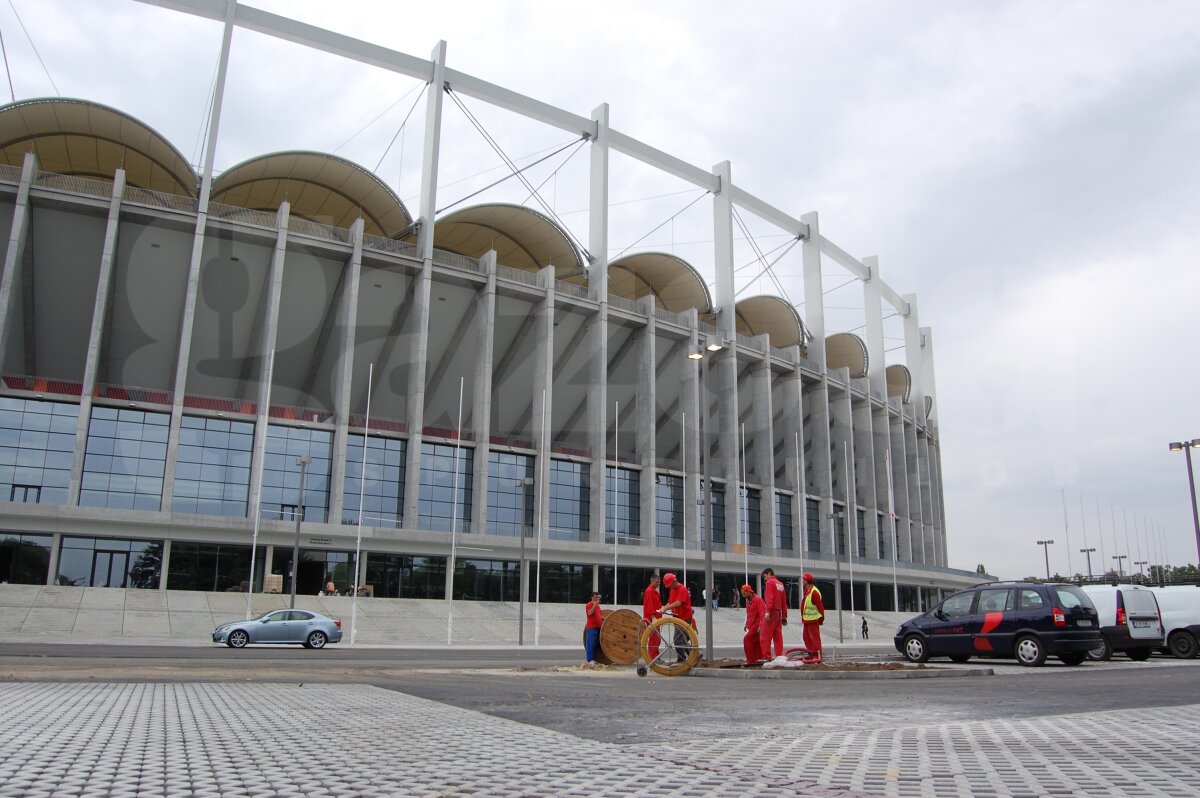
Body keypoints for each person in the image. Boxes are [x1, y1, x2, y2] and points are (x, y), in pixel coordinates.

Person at [759, 568, 787, 659]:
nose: (765, 579)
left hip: (772, 612)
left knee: (765, 636)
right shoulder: (780, 584)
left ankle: (766, 657)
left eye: (765, 576)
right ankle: (779, 656)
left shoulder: (770, 582)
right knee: (778, 636)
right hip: (779, 613)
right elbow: (784, 601)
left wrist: (767, 611)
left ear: (769, 573)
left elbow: (769, 598)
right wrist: (784, 615)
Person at [801, 573, 826, 664]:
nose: (802, 581)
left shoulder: (814, 592)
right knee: (806, 638)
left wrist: (821, 619)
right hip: (807, 619)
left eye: (804, 579)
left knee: (814, 638)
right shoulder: (807, 591)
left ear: (807, 581)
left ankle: (817, 656)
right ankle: (811, 654)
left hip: (813, 620)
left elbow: (820, 607)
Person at [740, 584, 765, 663]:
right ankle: (757, 659)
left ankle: (750, 660)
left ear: (748, 591)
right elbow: (749, 614)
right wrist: (746, 624)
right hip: (752, 625)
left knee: (747, 639)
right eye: (742, 594)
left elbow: (762, 614)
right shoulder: (748, 601)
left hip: (757, 624)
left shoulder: (758, 600)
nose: (743, 596)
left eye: (744, 593)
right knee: (756, 643)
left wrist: (760, 626)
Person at [642, 574, 663, 661]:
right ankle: (653, 657)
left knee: (656, 638)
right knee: (654, 638)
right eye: (657, 582)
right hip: (652, 618)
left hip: (655, 618)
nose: (659, 584)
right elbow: (650, 606)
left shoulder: (653, 591)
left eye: (659, 582)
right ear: (653, 581)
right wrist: (653, 616)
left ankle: (655, 656)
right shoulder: (650, 591)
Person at [584, 591, 603, 666]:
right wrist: (594, 605)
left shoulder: (598, 606)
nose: (597, 598)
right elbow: (589, 613)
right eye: (595, 597)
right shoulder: (589, 604)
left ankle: (594, 659)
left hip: (598, 627)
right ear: (592, 597)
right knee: (590, 643)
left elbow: (600, 615)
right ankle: (589, 660)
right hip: (591, 627)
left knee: (596, 644)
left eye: (598, 597)